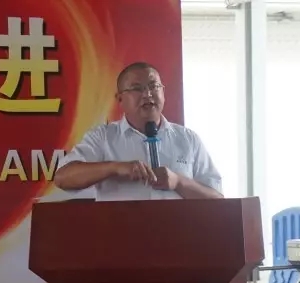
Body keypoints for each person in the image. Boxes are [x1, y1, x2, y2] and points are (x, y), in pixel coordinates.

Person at [53, 62, 223, 201]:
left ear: (163, 92)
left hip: (178, 232)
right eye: (137, 88)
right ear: (120, 99)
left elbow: (217, 199)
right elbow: (63, 178)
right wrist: (115, 168)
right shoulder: (103, 137)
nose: (148, 94)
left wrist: (179, 182)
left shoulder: (188, 139)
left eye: (154, 86)